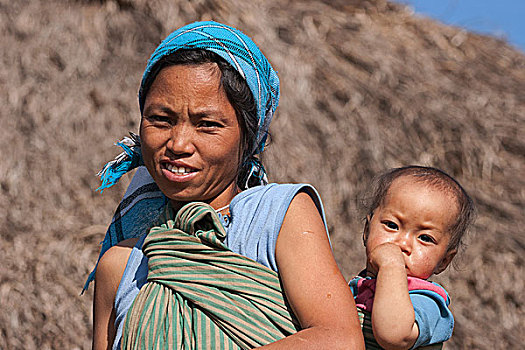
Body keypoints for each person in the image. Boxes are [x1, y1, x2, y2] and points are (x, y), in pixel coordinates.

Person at [90, 21, 364, 349]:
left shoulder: (277, 218)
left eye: (207, 124)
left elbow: (340, 339)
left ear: (247, 139)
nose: (178, 143)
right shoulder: (119, 267)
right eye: (161, 120)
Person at [348, 166, 475, 349]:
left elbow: (393, 335)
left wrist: (392, 265)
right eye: (392, 225)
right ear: (367, 230)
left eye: (425, 238)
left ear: (444, 261)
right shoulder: (359, 286)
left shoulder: (426, 301)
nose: (403, 244)